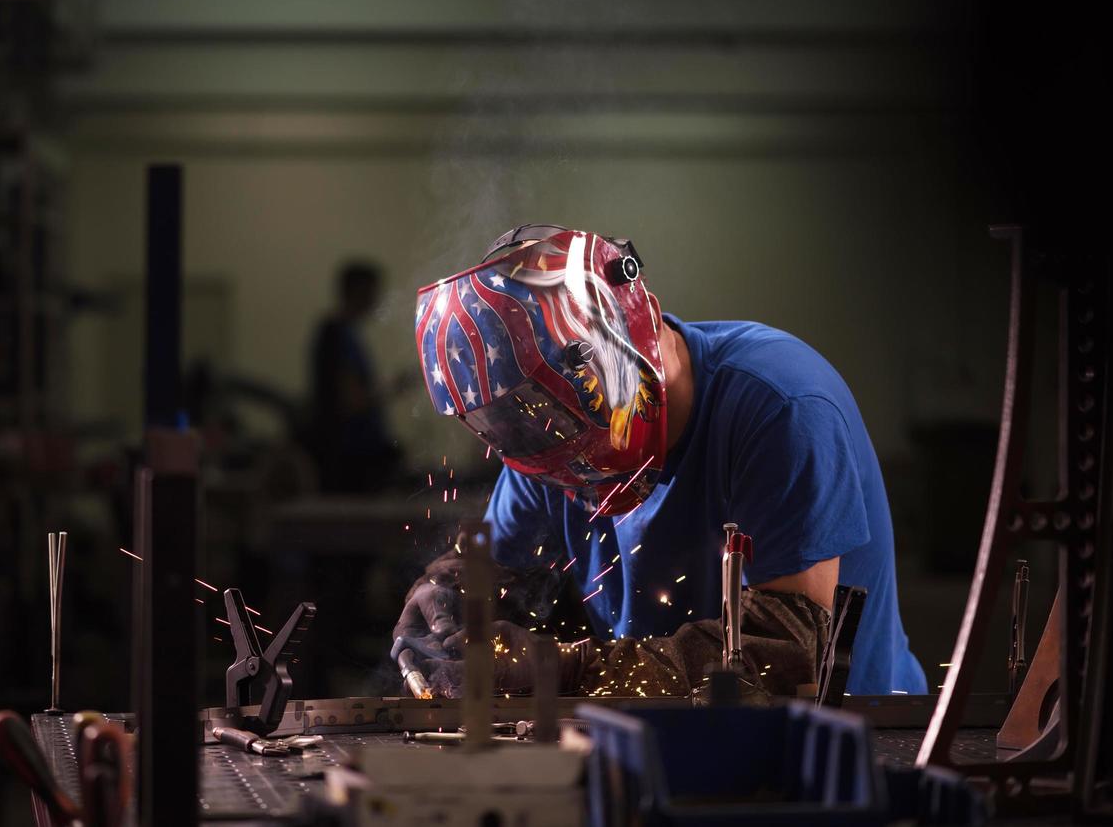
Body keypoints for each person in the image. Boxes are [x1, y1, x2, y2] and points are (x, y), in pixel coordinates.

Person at [391, 224, 926, 698]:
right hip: (661, 736)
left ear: (620, 344)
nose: (562, 459)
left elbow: (786, 656)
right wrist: (450, 603)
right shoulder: (547, 435)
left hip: (851, 741)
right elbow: (502, 576)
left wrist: (565, 669)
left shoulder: (781, 407)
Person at [308, 261, 407, 492]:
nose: (376, 300)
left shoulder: (346, 334)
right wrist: (393, 387)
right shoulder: (334, 334)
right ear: (358, 292)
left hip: (354, 455)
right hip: (350, 459)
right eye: (372, 292)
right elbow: (351, 400)